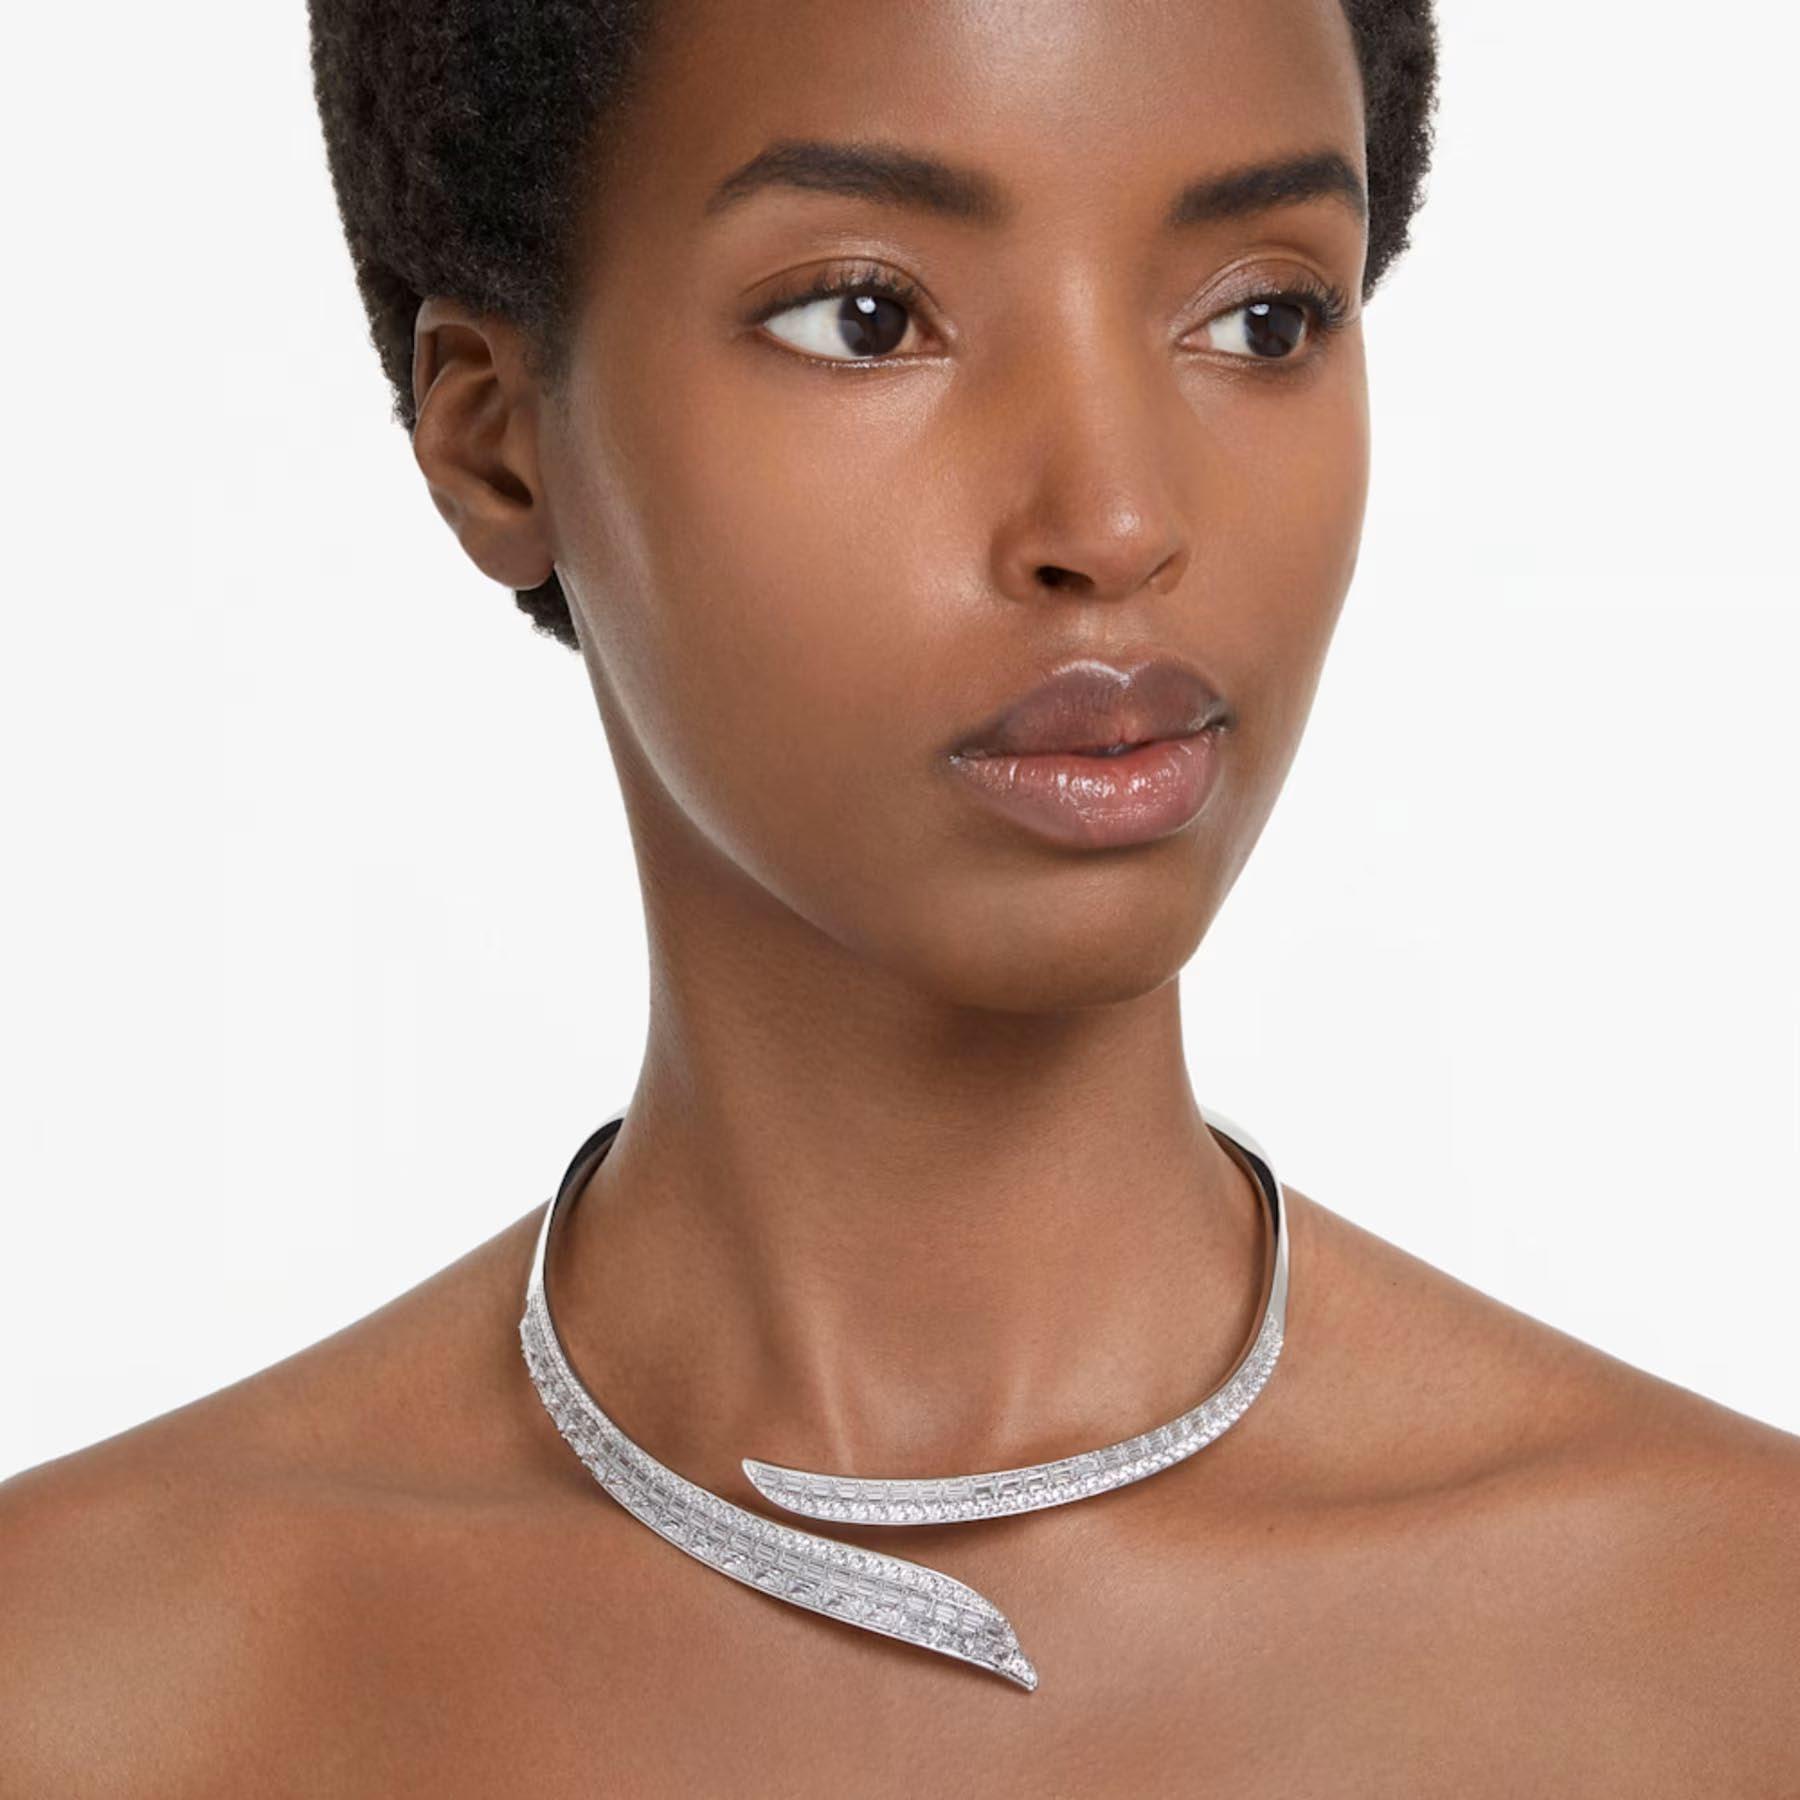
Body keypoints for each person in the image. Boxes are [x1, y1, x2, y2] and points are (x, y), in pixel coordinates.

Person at [4, 0, 1797, 1790]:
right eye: (866, 317)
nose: (1114, 520)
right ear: (494, 440)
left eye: (1265, 317)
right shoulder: (78, 1687)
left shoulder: (1737, 1650)